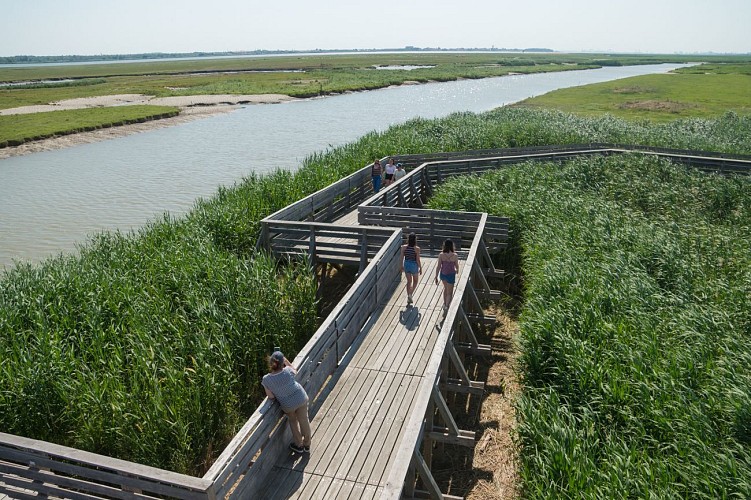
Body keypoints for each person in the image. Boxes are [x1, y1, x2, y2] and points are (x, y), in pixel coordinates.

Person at [262, 351, 312, 454]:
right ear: (281, 363)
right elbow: (295, 370)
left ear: (271, 363)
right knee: (304, 420)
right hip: (301, 398)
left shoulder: (266, 379)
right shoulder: (287, 371)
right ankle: (307, 445)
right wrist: (286, 361)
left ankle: (299, 445)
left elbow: (270, 396)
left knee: (293, 422)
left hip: (288, 405)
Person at [435, 239, 459, 311]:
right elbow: (456, 265)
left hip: (443, 274)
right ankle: (446, 305)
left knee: (445, 288)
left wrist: (436, 276)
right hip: (451, 275)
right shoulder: (455, 255)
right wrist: (457, 270)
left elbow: (438, 266)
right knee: (450, 292)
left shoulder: (441, 255)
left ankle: (445, 303)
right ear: (452, 246)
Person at [400, 232, 422, 304]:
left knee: (409, 281)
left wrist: (401, 265)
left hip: (406, 264)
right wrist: (420, 267)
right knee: (415, 281)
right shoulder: (417, 249)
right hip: (413, 265)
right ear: (415, 240)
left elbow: (401, 257)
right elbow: (417, 260)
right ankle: (410, 294)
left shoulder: (404, 247)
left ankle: (408, 295)